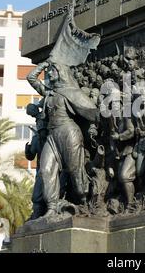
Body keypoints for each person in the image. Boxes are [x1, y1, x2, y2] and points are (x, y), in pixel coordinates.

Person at [27, 61, 99, 217]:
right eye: (49, 71)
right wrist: (44, 64)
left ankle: (85, 202)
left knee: (75, 172)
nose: (49, 73)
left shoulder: (71, 92)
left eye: (52, 71)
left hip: (69, 133)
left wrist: (93, 127)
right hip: (52, 136)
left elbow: (93, 112)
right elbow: (31, 78)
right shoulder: (48, 93)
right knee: (45, 170)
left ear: (61, 73)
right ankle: (52, 207)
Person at [25, 102, 48, 220]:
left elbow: (43, 133)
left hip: (46, 165)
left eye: (31, 111)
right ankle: (38, 211)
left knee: (39, 191)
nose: (32, 115)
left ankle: (38, 211)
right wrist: (27, 150)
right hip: (41, 165)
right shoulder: (36, 139)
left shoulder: (43, 116)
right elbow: (30, 156)